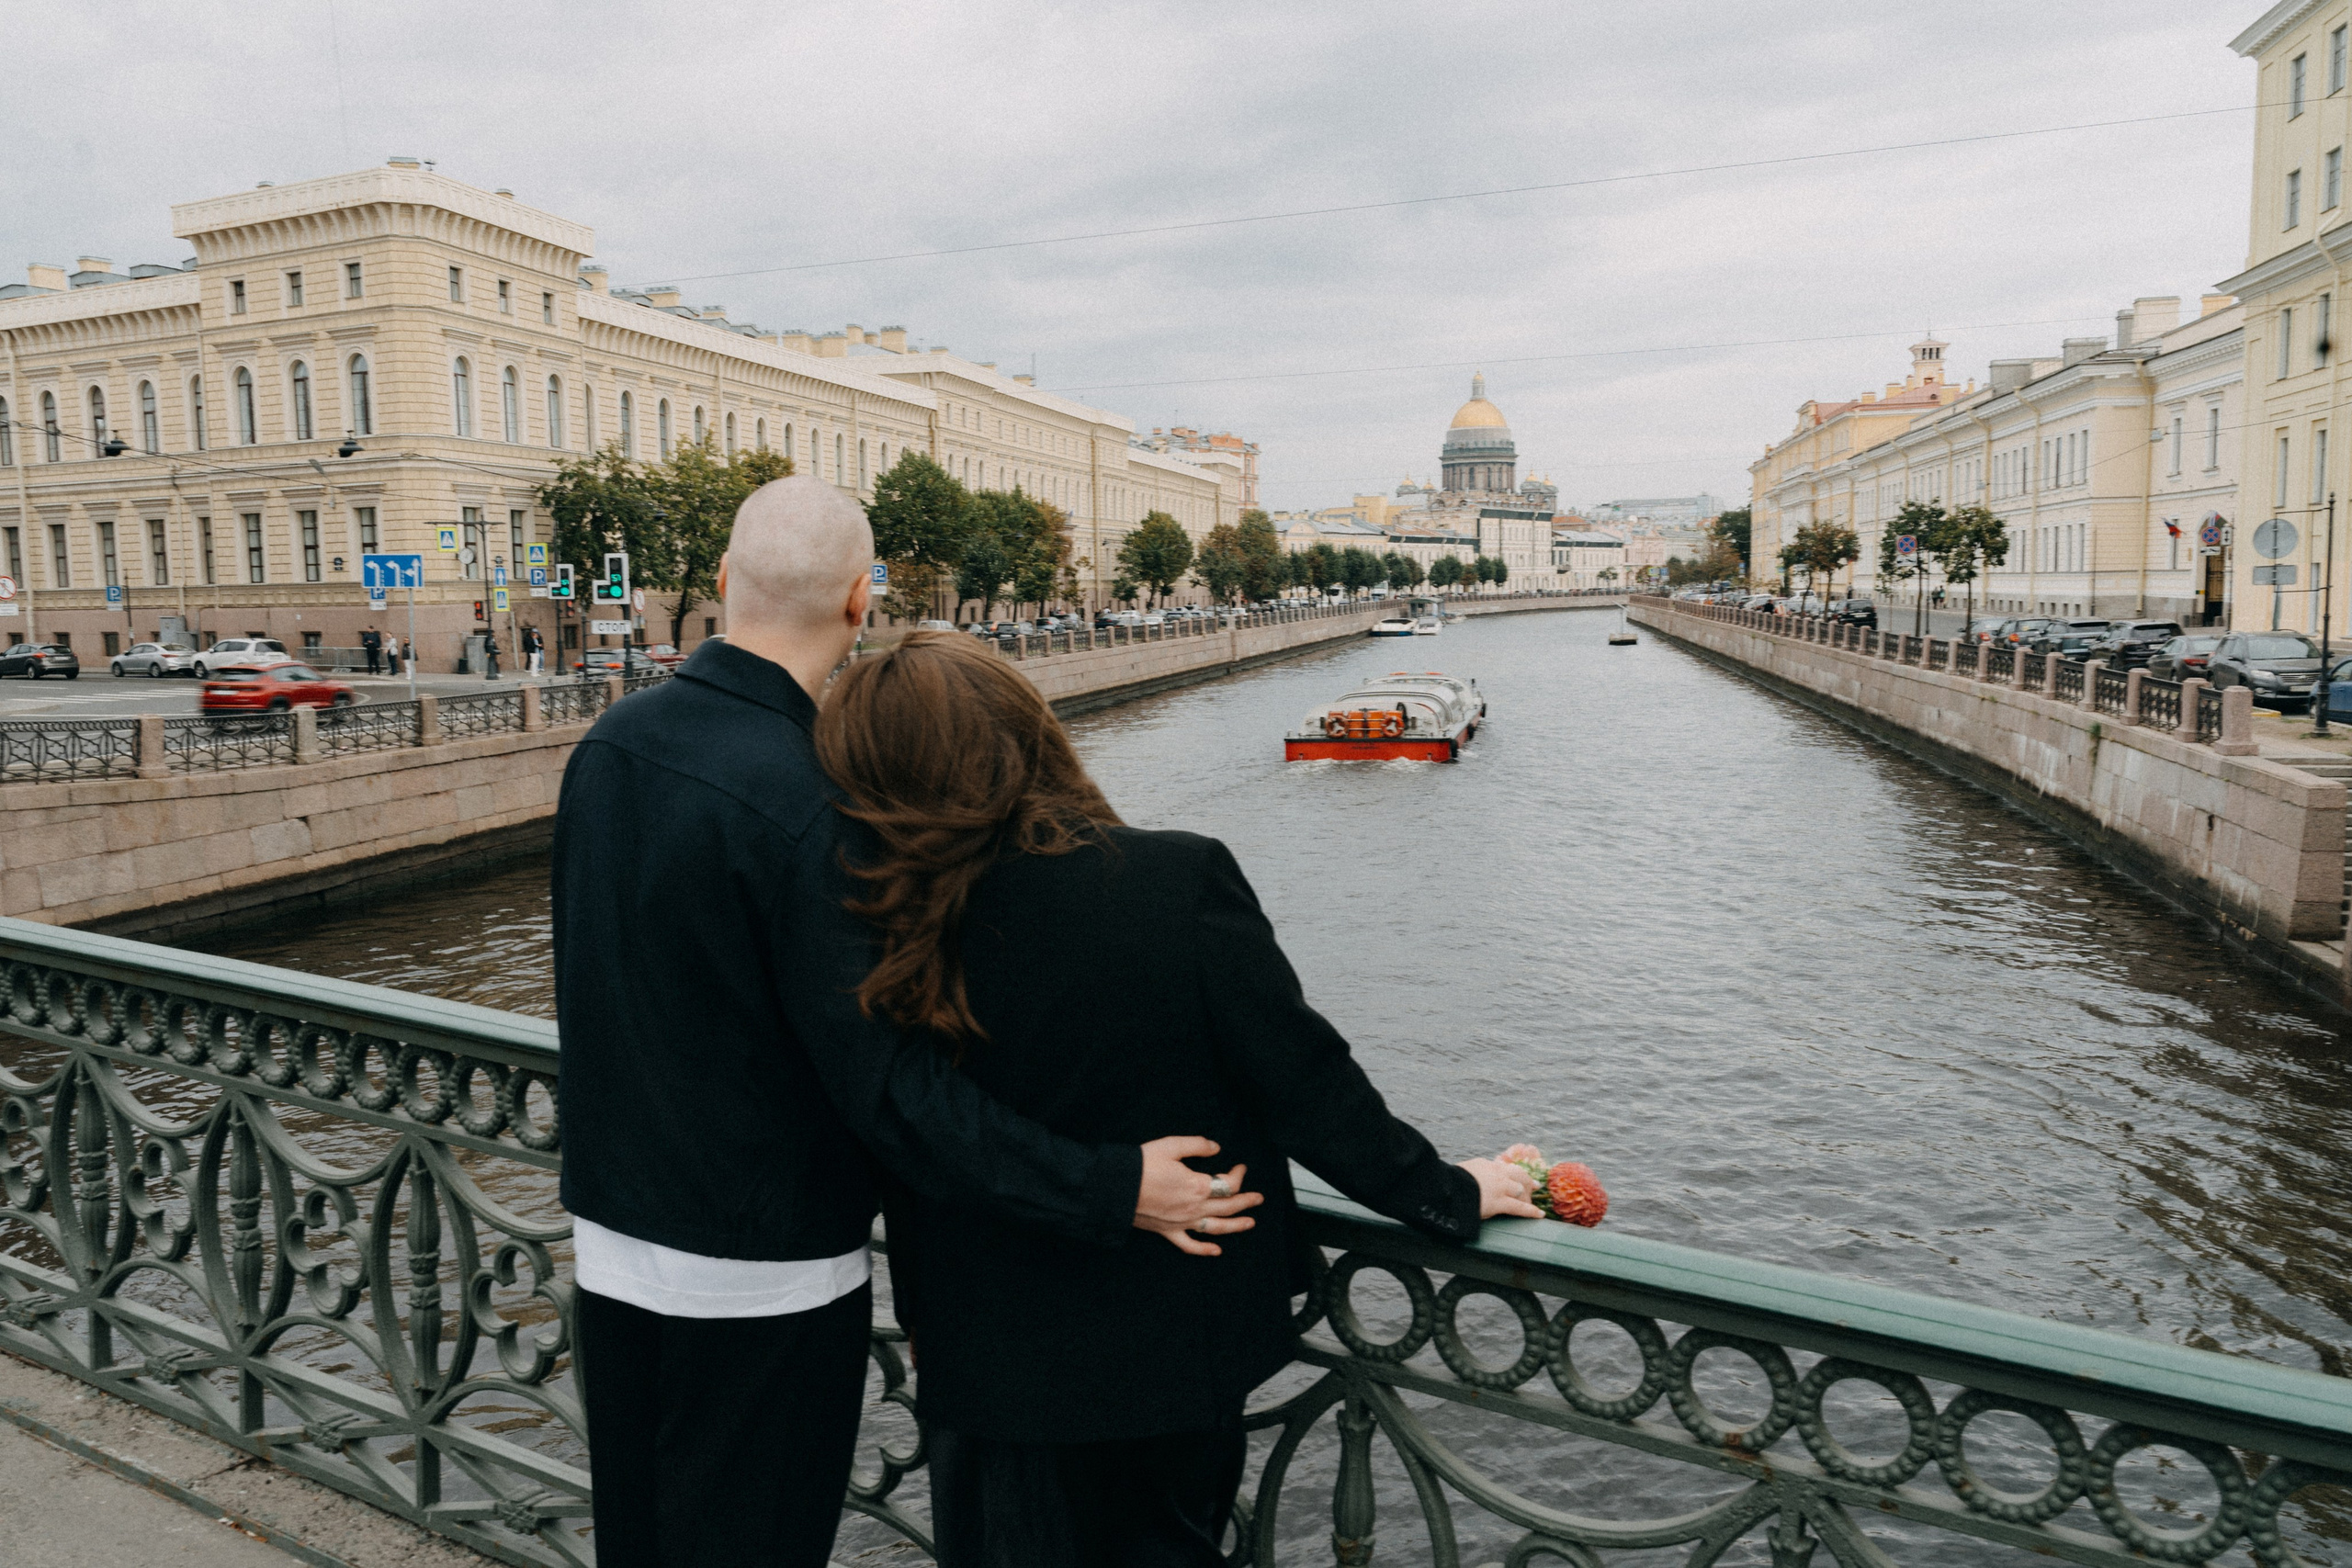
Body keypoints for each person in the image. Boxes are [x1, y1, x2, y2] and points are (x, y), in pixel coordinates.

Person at [551, 477, 1255, 1568]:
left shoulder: (609, 746)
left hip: (611, 1244)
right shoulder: (811, 802)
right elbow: (889, 1090)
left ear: (724, 583)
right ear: (858, 603)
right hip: (763, 1271)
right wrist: (1109, 1185)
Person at [812, 632, 1542, 1568]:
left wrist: (924, 1311)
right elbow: (1304, 1081)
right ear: (1031, 737)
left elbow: (912, 1130)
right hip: (1165, 1346)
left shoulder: (880, 920)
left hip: (981, 1350)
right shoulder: (1172, 878)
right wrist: (1441, 1190)